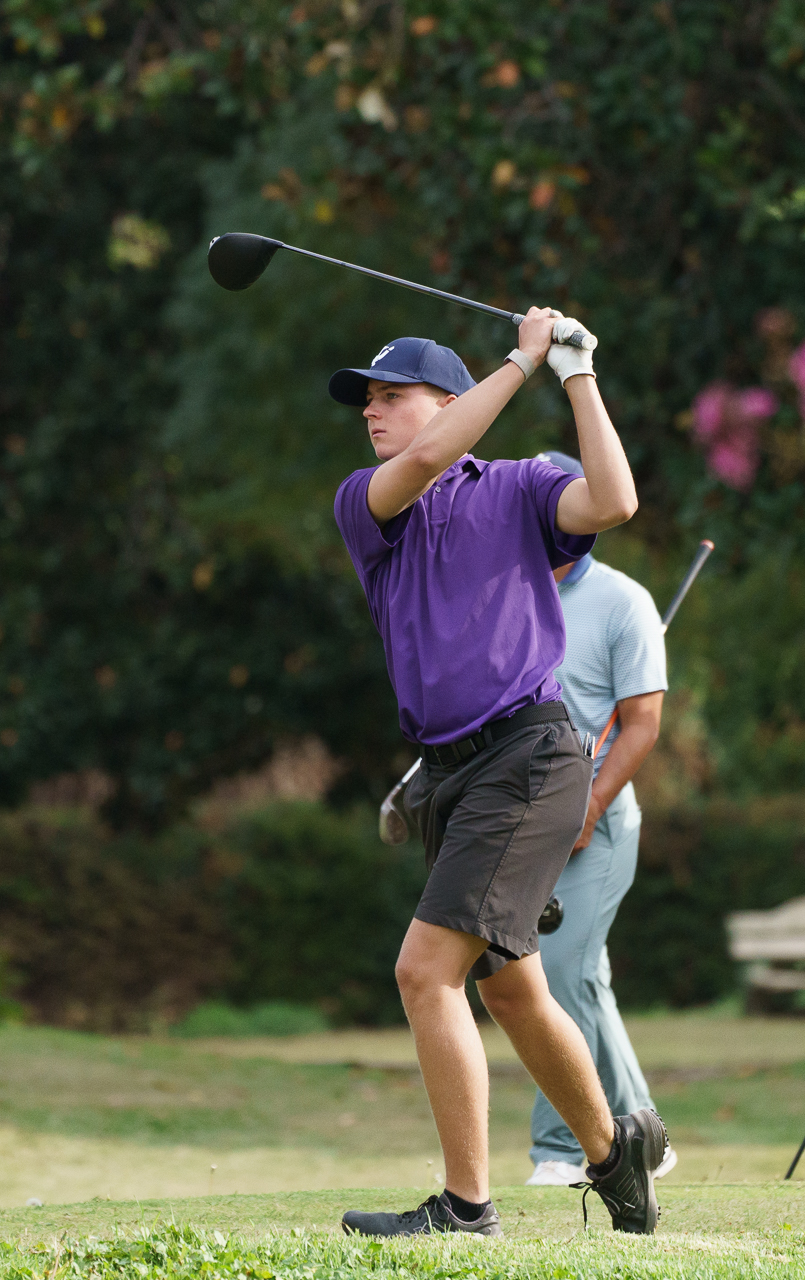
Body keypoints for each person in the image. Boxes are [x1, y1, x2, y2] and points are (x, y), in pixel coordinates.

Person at [329, 314, 666, 1238]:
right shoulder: (368, 502)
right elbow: (429, 455)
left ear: (448, 397)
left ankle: (467, 1207)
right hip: (449, 775)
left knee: (424, 972)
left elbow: (615, 500)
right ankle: (617, 1157)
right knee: (511, 989)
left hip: (529, 755)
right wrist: (522, 360)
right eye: (366, 401)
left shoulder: (520, 487)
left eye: (391, 396)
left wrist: (576, 374)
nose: (371, 413)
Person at [522, 450, 675, 1186]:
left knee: (558, 975)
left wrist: (590, 803)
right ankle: (648, 1137)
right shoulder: (508, 593)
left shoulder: (624, 602)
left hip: (598, 824)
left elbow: (642, 724)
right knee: (581, 980)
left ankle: (561, 1148)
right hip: (523, 821)